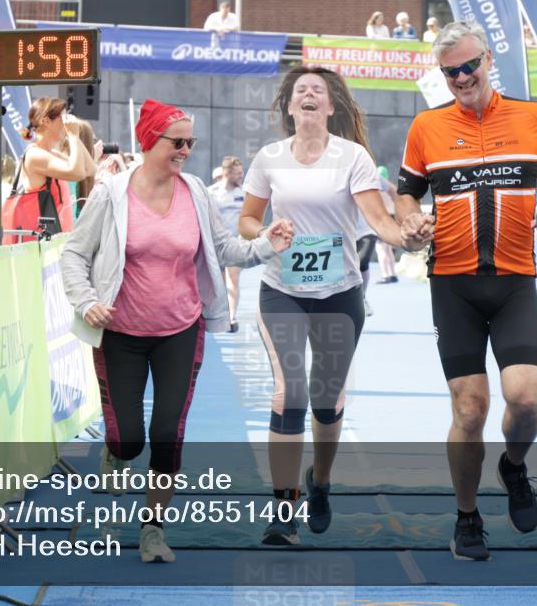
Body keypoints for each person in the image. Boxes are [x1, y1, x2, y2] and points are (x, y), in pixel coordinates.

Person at [60, 98, 293, 564]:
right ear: (150, 140)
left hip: (181, 330)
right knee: (129, 439)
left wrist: (267, 244)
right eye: (178, 142)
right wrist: (86, 302)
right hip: (121, 332)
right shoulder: (111, 194)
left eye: (191, 142)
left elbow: (224, 249)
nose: (186, 150)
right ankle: (117, 452)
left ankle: (153, 528)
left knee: (169, 432)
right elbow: (74, 254)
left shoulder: (196, 193)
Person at [395, 20, 537, 561]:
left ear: (489, 60)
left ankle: (513, 467)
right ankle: (467, 517)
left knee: (527, 401)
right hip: (454, 286)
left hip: (515, 282)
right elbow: (406, 194)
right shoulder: (427, 126)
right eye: (450, 71)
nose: (461, 78)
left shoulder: (533, 118)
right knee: (470, 410)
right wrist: (410, 220)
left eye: (469, 66)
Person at [238, 66, 412, 545]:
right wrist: (266, 231)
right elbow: (247, 219)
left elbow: (379, 219)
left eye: (319, 90)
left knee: (326, 401)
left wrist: (406, 237)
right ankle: (283, 510)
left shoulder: (351, 156)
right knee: (288, 394)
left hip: (339, 295)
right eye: (301, 90)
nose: (310, 94)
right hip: (282, 291)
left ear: (331, 107)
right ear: (290, 106)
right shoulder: (270, 158)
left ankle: (321, 481)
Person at [16, 97, 96, 235]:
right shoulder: (34, 155)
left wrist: (75, 136)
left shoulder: (50, 153)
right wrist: (73, 136)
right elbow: (77, 173)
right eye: (62, 119)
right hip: (43, 239)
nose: (65, 124)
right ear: (46, 121)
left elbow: (90, 169)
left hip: (56, 237)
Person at [208, 156, 246, 332]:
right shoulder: (211, 192)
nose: (241, 176)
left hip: (235, 243)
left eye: (242, 173)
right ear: (226, 174)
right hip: (215, 245)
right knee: (219, 283)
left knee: (234, 279)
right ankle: (220, 316)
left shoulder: (244, 193)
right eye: (238, 173)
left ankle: (231, 317)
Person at [374, 166, 399, 284]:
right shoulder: (391, 188)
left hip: (383, 219)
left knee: (381, 249)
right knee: (388, 249)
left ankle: (385, 275)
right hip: (392, 218)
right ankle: (393, 274)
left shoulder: (378, 190)